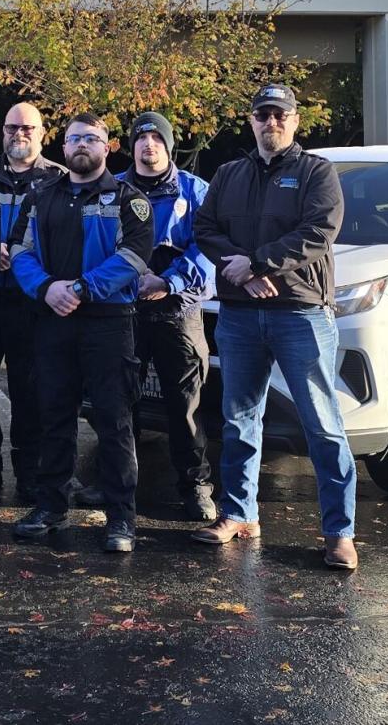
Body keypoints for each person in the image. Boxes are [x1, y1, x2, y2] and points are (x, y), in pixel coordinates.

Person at [190, 84, 359, 570]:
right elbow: (205, 229)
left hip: (301, 314)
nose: (271, 123)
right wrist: (238, 267)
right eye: (263, 114)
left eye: (280, 115)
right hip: (240, 316)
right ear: (251, 120)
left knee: (322, 426)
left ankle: (339, 533)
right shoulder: (229, 174)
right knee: (239, 420)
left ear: (295, 120)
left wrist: (260, 264)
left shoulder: (316, 172)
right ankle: (240, 513)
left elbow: (320, 230)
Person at [8, 113, 154, 553]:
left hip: (109, 322)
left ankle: (121, 520)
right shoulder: (40, 195)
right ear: (64, 147)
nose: (81, 146)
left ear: (107, 147)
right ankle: (51, 506)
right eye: (74, 139)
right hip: (54, 319)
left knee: (114, 421)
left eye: (91, 138)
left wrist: (82, 288)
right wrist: (46, 287)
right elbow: (18, 249)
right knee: (53, 416)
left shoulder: (128, 199)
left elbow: (134, 254)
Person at [76, 112, 218, 520]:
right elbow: (98, 247)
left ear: (169, 146)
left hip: (179, 311)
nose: (149, 145)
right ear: (131, 146)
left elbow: (207, 249)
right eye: (141, 138)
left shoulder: (196, 191)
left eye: (158, 138)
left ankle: (195, 488)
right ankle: (112, 483)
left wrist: (168, 282)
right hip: (123, 310)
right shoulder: (111, 190)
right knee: (118, 403)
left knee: (186, 408)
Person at [0, 102, 67, 503]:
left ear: (43, 132)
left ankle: (30, 473)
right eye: (12, 128)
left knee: (31, 391)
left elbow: (65, 239)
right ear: (2, 131)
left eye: (27, 128)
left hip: (34, 303)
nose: (19, 135)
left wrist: (26, 257)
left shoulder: (58, 178)